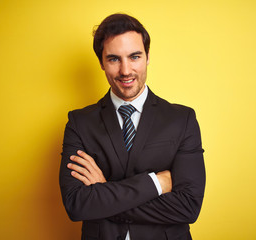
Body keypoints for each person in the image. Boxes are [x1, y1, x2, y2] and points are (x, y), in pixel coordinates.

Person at [59, 13, 206, 240]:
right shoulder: (79, 123)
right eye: (114, 59)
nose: (125, 70)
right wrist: (156, 183)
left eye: (134, 56)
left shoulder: (182, 119)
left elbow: (188, 207)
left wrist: (105, 192)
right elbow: (77, 204)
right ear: (101, 62)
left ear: (147, 57)